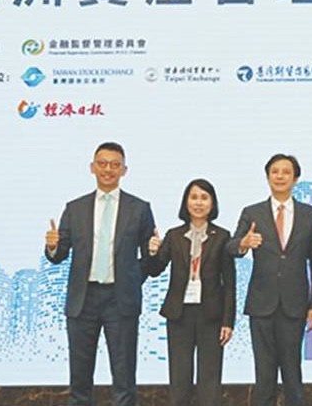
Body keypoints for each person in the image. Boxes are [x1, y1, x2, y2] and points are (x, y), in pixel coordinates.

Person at [44, 141, 156, 406]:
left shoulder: (139, 208)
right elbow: (59, 255)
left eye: (115, 165)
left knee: (124, 377)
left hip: (120, 300)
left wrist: (150, 256)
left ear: (124, 170)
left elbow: (150, 262)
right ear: (92, 167)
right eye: (102, 164)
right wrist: (52, 246)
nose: (108, 170)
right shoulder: (75, 208)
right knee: (80, 379)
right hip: (83, 300)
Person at [227, 153, 312, 406]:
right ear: (268, 176)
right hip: (262, 304)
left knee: (293, 373)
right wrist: (244, 243)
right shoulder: (252, 212)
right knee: (264, 375)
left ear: (295, 179)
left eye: (286, 172)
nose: (280, 176)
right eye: (275, 172)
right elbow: (230, 247)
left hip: (295, 304)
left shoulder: (310, 215)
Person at [146, 178, 235, 406]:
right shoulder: (174, 235)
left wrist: (228, 321)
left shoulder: (222, 236)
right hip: (179, 314)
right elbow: (155, 270)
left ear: (212, 203)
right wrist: (153, 252)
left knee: (210, 380)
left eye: (204, 198)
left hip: (211, 315)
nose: (198, 203)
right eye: (194, 197)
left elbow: (229, 283)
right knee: (179, 378)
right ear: (186, 202)